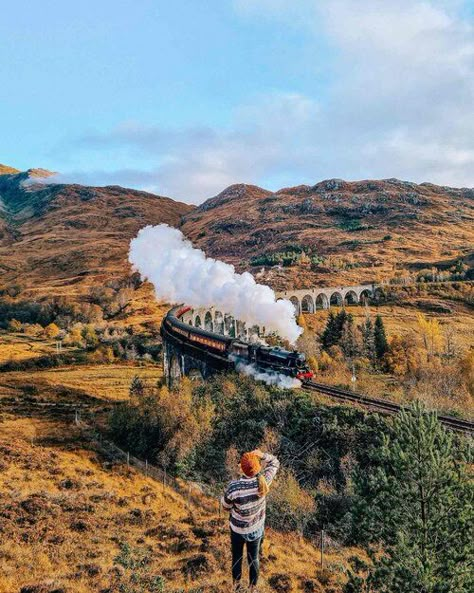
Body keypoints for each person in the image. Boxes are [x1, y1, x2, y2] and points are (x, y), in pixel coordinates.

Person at [221, 448, 280, 591]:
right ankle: (252, 588)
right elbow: (275, 463)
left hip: (237, 529)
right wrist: (262, 455)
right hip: (256, 528)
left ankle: (236, 586)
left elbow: (225, 506)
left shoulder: (234, 487)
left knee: (237, 557)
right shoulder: (263, 481)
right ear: (258, 467)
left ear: (241, 468)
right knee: (253, 559)